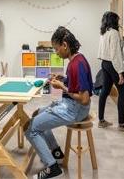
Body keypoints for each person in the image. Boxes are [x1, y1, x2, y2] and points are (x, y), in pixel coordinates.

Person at [25, 26, 93, 179]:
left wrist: (62, 87)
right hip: (70, 105)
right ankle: (56, 153)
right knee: (38, 113)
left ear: (65, 45)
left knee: (30, 129)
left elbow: (84, 99)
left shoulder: (77, 65)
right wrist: (64, 79)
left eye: (56, 49)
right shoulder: (77, 59)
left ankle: (53, 169)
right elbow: (76, 84)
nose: (56, 52)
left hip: (76, 110)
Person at [97, 11, 124, 132]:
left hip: (105, 63)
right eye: (117, 20)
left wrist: (123, 36)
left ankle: (101, 121)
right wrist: (120, 72)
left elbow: (115, 49)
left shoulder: (104, 32)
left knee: (105, 91)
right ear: (113, 21)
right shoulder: (113, 33)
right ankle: (122, 125)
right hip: (113, 65)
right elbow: (115, 54)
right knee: (123, 92)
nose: (119, 22)